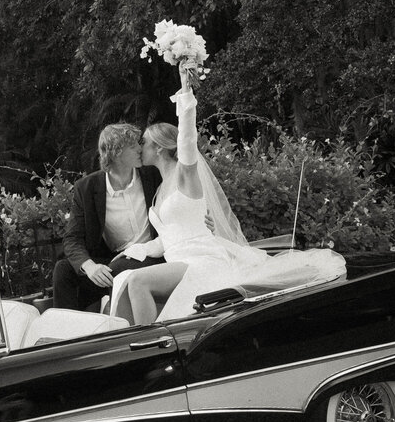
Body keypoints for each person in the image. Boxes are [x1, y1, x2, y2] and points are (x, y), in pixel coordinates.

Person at [113, 69, 344, 322]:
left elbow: (188, 141)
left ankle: (148, 346)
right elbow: (166, 239)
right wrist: (131, 251)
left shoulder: (183, 174)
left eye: (143, 142)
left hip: (200, 260)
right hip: (179, 260)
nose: (139, 147)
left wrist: (185, 93)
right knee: (124, 280)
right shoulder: (160, 189)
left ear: (158, 147)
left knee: (136, 281)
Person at [52, 123, 162, 311]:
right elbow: (72, 238)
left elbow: (180, 194)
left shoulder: (153, 174)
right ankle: (67, 332)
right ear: (117, 151)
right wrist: (90, 266)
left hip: (152, 255)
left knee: (118, 268)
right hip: (115, 260)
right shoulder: (86, 187)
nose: (140, 148)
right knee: (63, 270)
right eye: (134, 145)